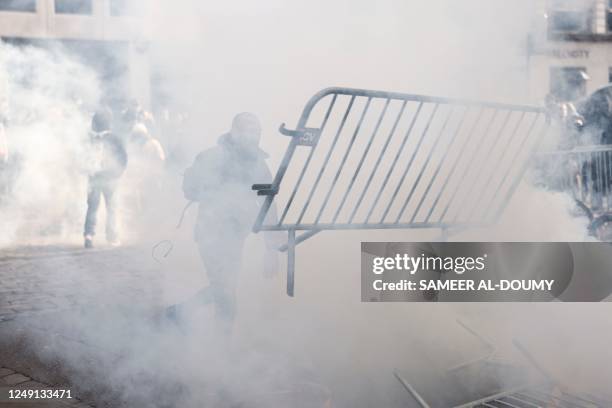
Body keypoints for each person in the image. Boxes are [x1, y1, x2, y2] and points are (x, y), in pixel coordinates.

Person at [168, 112, 279, 329]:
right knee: (225, 292)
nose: (253, 137)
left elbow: (269, 204)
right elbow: (190, 191)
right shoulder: (210, 157)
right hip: (210, 233)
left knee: (224, 288)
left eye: (257, 132)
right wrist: (212, 188)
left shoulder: (258, 166)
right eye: (248, 131)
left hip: (237, 236)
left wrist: (271, 249)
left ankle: (182, 312)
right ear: (234, 131)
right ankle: (221, 349)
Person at [83, 108, 128, 248]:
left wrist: (87, 171)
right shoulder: (115, 139)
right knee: (112, 207)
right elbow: (123, 158)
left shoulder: (89, 139)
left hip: (95, 177)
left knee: (92, 207)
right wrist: (117, 173)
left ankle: (89, 235)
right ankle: (112, 237)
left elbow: (81, 157)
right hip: (110, 178)